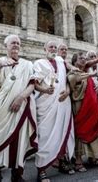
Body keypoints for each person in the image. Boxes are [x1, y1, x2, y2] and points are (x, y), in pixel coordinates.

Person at [0, 36, 38, 182]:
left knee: (20, 139)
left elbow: (32, 84)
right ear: (6, 46)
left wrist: (21, 97)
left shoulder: (27, 64)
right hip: (1, 108)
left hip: (21, 107)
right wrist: (3, 63)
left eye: (18, 43)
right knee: (0, 138)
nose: (16, 45)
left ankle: (17, 174)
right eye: (13, 43)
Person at [33, 41, 74, 181]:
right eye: (50, 47)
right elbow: (35, 83)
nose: (53, 49)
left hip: (62, 104)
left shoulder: (61, 63)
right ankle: (41, 169)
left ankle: (61, 162)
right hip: (46, 105)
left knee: (63, 133)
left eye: (55, 47)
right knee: (44, 136)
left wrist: (67, 92)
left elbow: (68, 81)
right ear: (44, 48)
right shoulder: (39, 63)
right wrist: (45, 90)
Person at [68, 52, 98, 172]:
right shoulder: (73, 72)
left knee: (94, 128)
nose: (84, 60)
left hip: (92, 105)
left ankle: (93, 157)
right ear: (74, 61)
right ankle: (78, 161)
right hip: (80, 105)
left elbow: (88, 64)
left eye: (85, 59)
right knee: (80, 130)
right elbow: (74, 80)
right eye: (81, 58)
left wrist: (95, 62)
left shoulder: (86, 70)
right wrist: (92, 73)